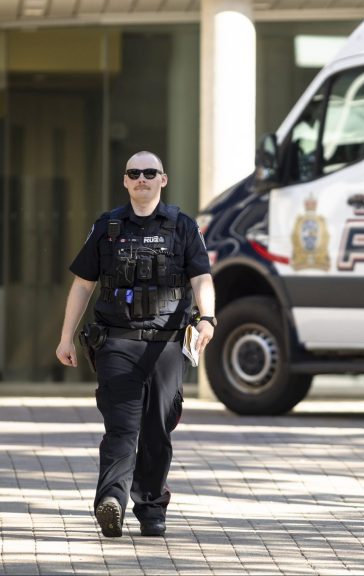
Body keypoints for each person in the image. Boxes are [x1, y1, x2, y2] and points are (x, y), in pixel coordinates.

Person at [55, 151, 216, 537]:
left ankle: (151, 506)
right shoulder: (107, 227)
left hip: (167, 345)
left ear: (163, 179)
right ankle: (111, 501)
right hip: (117, 342)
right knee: (122, 427)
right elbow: (82, 285)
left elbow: (201, 278)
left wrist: (208, 317)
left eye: (149, 172)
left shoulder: (183, 227)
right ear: (125, 181)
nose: (141, 178)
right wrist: (65, 337)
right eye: (134, 173)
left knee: (157, 428)